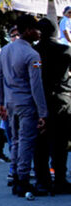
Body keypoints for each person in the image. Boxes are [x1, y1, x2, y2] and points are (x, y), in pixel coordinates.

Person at [0, 14, 48, 199]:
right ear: (27, 31)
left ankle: (17, 175)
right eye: (35, 29)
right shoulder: (32, 54)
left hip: (11, 103)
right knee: (26, 141)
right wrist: (43, 112)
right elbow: (36, 86)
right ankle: (23, 180)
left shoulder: (5, 50)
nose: (38, 33)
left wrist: (1, 103)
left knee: (16, 141)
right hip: (26, 103)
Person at [33, 18, 71, 193]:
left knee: (40, 143)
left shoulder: (34, 52)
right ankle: (61, 179)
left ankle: (42, 180)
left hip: (39, 101)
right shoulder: (65, 50)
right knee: (60, 144)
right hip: (62, 101)